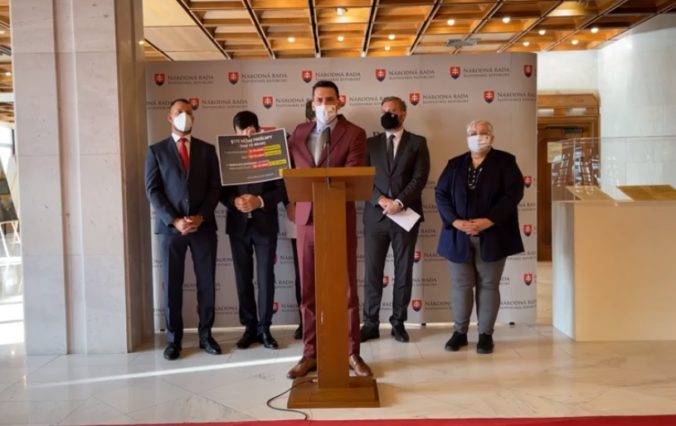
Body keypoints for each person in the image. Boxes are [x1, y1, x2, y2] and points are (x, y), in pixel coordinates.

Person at [285, 80, 372, 378]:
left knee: (346, 289)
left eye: (330, 99)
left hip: (338, 217)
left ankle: (351, 352)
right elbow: (289, 171)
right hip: (306, 219)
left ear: (340, 101)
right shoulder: (298, 133)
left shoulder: (355, 133)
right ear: (312, 103)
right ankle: (310, 353)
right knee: (307, 290)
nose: (325, 105)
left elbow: (352, 174)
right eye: (319, 100)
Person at [435, 119, 524, 354]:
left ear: (492, 138)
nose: (478, 136)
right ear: (466, 137)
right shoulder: (455, 164)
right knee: (461, 286)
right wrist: (456, 221)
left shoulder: (506, 162)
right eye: (473, 133)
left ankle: (485, 335)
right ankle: (460, 333)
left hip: (493, 235)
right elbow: (441, 193)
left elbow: (513, 194)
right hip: (458, 235)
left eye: (483, 132)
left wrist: (489, 220)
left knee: (488, 285)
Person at [144, 98, 222, 360]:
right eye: (179, 112)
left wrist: (201, 216)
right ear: (169, 117)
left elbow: (215, 188)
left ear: (194, 118)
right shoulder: (156, 151)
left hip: (203, 227)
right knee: (172, 286)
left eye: (189, 112)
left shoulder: (207, 150)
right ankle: (173, 340)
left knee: (206, 284)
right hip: (170, 230)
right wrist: (175, 220)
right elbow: (153, 190)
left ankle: (206, 336)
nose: (184, 116)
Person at [360, 96, 430, 344]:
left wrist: (399, 202)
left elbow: (420, 178)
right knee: (372, 272)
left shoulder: (418, 143)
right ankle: (370, 323)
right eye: (384, 111)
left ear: (404, 113)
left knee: (403, 271)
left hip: (405, 216)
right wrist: (380, 200)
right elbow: (363, 178)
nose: (387, 114)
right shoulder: (370, 144)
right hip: (376, 217)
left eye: (392, 110)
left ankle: (398, 322)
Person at [221, 111, 286, 350]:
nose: (246, 136)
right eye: (241, 132)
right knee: (242, 277)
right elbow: (221, 191)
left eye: (251, 130)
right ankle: (249, 328)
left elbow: (283, 189)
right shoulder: (227, 153)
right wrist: (234, 201)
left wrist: (259, 200)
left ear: (258, 130)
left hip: (264, 225)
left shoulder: (271, 151)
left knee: (266, 277)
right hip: (238, 226)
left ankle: (264, 328)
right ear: (235, 133)